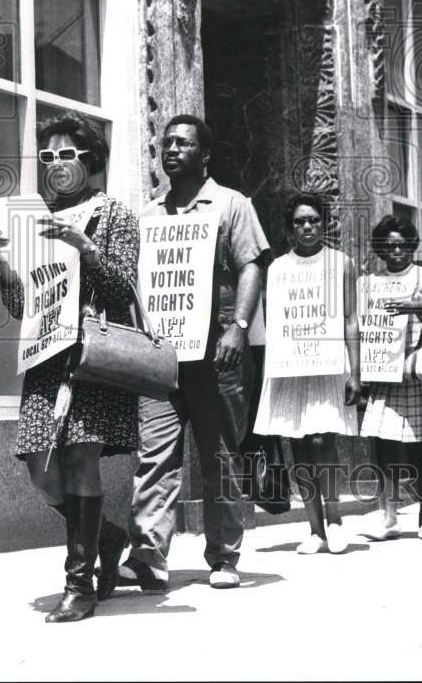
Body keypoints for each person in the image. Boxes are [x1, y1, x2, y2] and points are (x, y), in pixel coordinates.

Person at [0, 112, 138, 622]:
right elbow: (21, 306)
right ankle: (109, 537)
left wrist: (84, 246)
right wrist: (7, 265)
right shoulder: (35, 217)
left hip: (93, 355)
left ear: (90, 159)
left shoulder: (114, 213)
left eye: (66, 155)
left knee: (80, 461)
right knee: (42, 474)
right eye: (47, 157)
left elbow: (123, 291)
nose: (55, 165)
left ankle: (80, 585)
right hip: (47, 358)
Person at [118, 115, 270, 591]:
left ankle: (224, 555)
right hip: (162, 356)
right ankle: (148, 555)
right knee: (155, 455)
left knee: (219, 454)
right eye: (166, 143)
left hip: (217, 353)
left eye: (183, 143)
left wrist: (239, 329)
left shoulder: (231, 204)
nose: (172, 150)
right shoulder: (148, 215)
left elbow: (250, 267)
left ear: (205, 155)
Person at [253, 193, 361, 555]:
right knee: (298, 445)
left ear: (324, 223)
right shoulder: (278, 268)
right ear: (289, 228)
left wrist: (355, 371)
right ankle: (314, 529)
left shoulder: (341, 263)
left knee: (322, 442)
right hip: (291, 366)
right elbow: (275, 321)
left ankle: (335, 520)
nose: (308, 227)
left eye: (314, 220)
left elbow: (350, 318)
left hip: (328, 364)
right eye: (300, 222)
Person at [358, 215, 422, 541]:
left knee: (421, 448)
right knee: (384, 446)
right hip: (385, 374)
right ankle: (389, 516)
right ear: (382, 250)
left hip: (417, 374)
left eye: (402, 244)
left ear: (411, 246)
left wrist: (419, 310)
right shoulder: (371, 282)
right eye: (390, 246)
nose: (397, 250)